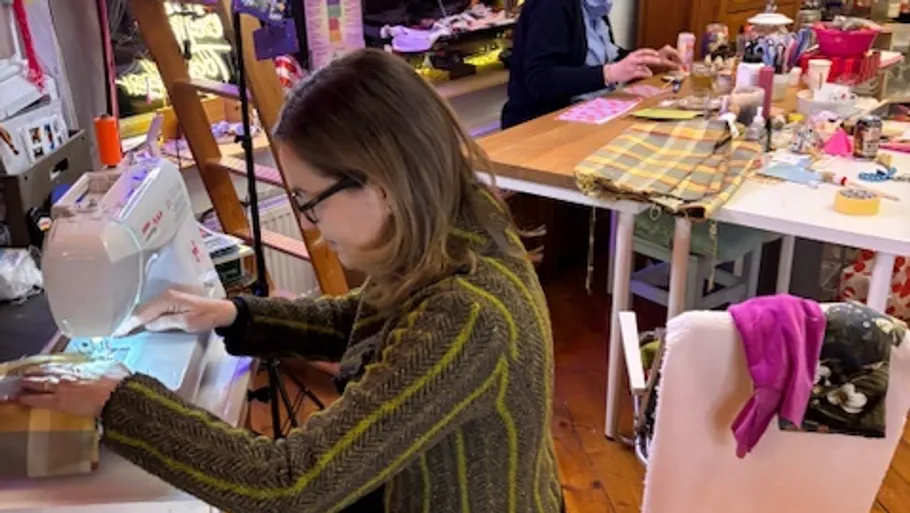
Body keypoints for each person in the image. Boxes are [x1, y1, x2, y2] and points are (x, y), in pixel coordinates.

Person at [10, 49, 561, 513]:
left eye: (309, 201)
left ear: (381, 184)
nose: (309, 224)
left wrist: (117, 400)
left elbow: (289, 483)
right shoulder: (455, 230)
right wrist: (234, 315)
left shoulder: (468, 316)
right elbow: (366, 321)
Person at [501, 0, 682, 128]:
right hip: (537, 125)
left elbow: (603, 54)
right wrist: (608, 74)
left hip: (586, 114)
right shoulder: (551, 5)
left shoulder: (594, 6)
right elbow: (540, 79)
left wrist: (648, 58)